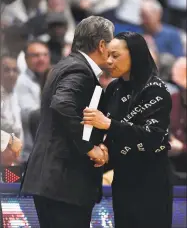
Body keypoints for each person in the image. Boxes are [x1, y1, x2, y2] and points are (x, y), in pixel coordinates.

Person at [20, 16, 114, 228]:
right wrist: (90, 148)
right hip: (63, 185)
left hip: (53, 182)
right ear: (101, 45)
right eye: (112, 43)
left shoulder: (67, 65)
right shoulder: (79, 70)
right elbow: (62, 104)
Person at [82, 32, 173, 228]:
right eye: (107, 55)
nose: (108, 61)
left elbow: (153, 136)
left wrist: (108, 124)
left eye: (115, 55)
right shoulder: (114, 88)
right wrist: (104, 149)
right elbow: (108, 132)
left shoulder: (155, 90)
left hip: (151, 178)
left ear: (134, 54)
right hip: (123, 176)